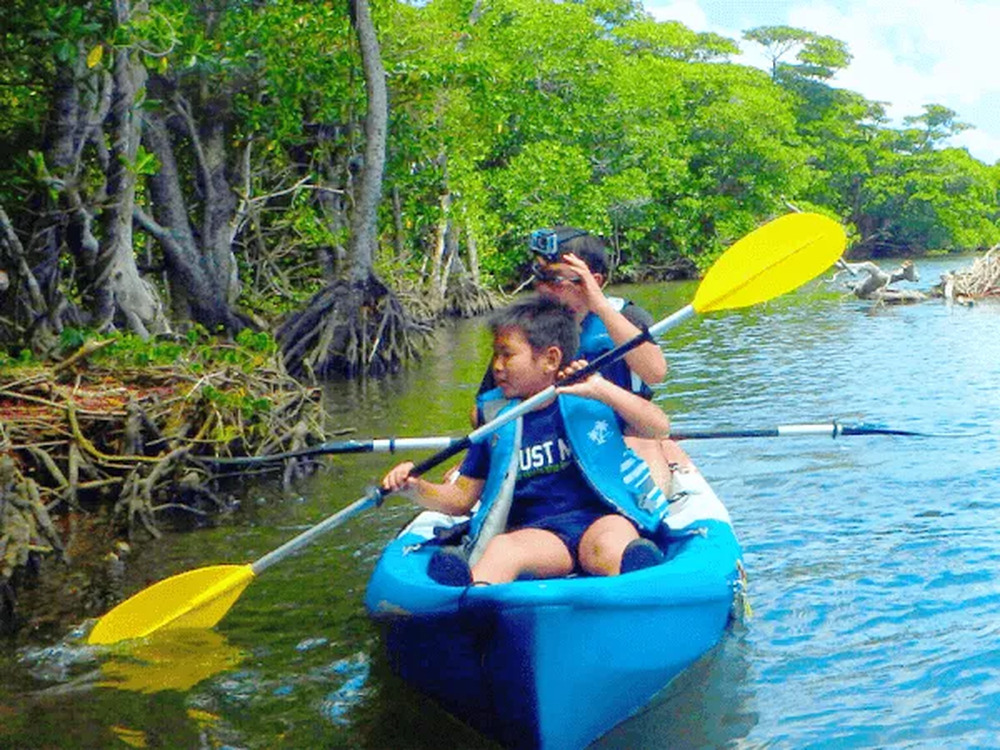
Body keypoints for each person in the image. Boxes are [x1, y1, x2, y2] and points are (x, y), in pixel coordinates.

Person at [381, 295, 671, 586]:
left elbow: (659, 427)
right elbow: (461, 498)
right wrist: (416, 488)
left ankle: (639, 583)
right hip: (539, 535)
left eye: (507, 355)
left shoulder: (591, 397)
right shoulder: (495, 420)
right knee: (503, 549)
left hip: (599, 519)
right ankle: (468, 597)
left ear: (551, 359)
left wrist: (602, 389)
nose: (497, 366)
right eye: (495, 355)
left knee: (613, 542)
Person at [476, 227, 667, 401]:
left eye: (554, 280)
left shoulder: (628, 316)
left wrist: (600, 305)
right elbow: (485, 406)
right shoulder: (523, 327)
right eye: (539, 276)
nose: (543, 288)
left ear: (593, 281)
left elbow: (655, 373)